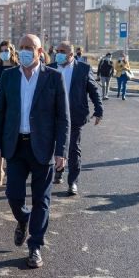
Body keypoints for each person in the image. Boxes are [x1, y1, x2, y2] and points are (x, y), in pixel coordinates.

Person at [0, 34, 70, 269]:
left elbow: (63, 118)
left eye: (29, 48)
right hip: (15, 146)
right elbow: (0, 113)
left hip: (43, 147)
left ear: (39, 51)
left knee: (41, 200)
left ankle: (35, 246)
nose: (24, 51)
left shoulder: (53, 77)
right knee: (13, 195)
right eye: (21, 47)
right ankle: (24, 218)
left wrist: (61, 150)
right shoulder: (9, 76)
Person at [50, 41, 103, 195]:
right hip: (53, 116)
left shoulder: (83, 69)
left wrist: (99, 109)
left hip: (75, 115)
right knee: (54, 146)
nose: (58, 54)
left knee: (73, 148)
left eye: (62, 51)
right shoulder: (50, 68)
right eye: (57, 51)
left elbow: (94, 90)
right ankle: (58, 171)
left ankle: (72, 182)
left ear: (71, 54)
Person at [0, 40, 19, 187]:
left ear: (12, 51)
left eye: (7, 50)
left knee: (11, 139)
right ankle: (0, 172)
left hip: (14, 109)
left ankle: (10, 171)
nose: (4, 52)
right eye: (2, 50)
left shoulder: (18, 68)